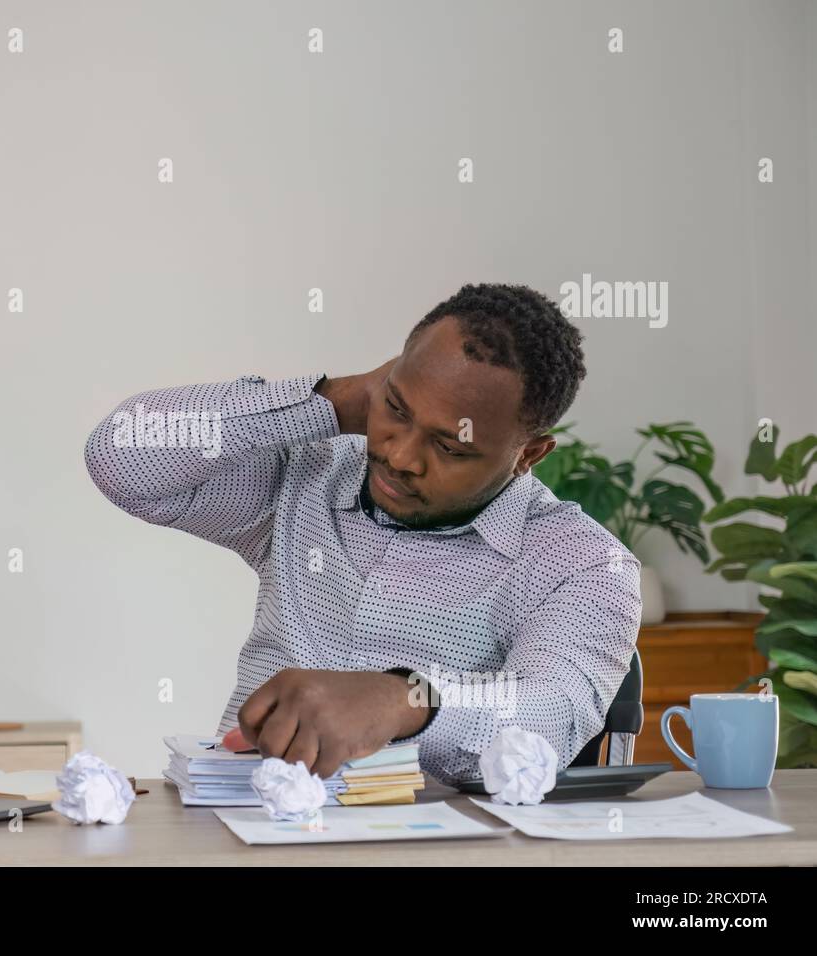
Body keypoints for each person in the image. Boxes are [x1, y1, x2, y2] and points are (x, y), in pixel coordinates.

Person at [85, 283, 641, 784]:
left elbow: (553, 712)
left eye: (449, 447)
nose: (399, 456)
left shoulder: (583, 563)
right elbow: (121, 457)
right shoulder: (304, 477)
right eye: (396, 409)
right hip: (249, 827)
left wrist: (404, 699)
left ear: (530, 455)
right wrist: (335, 401)